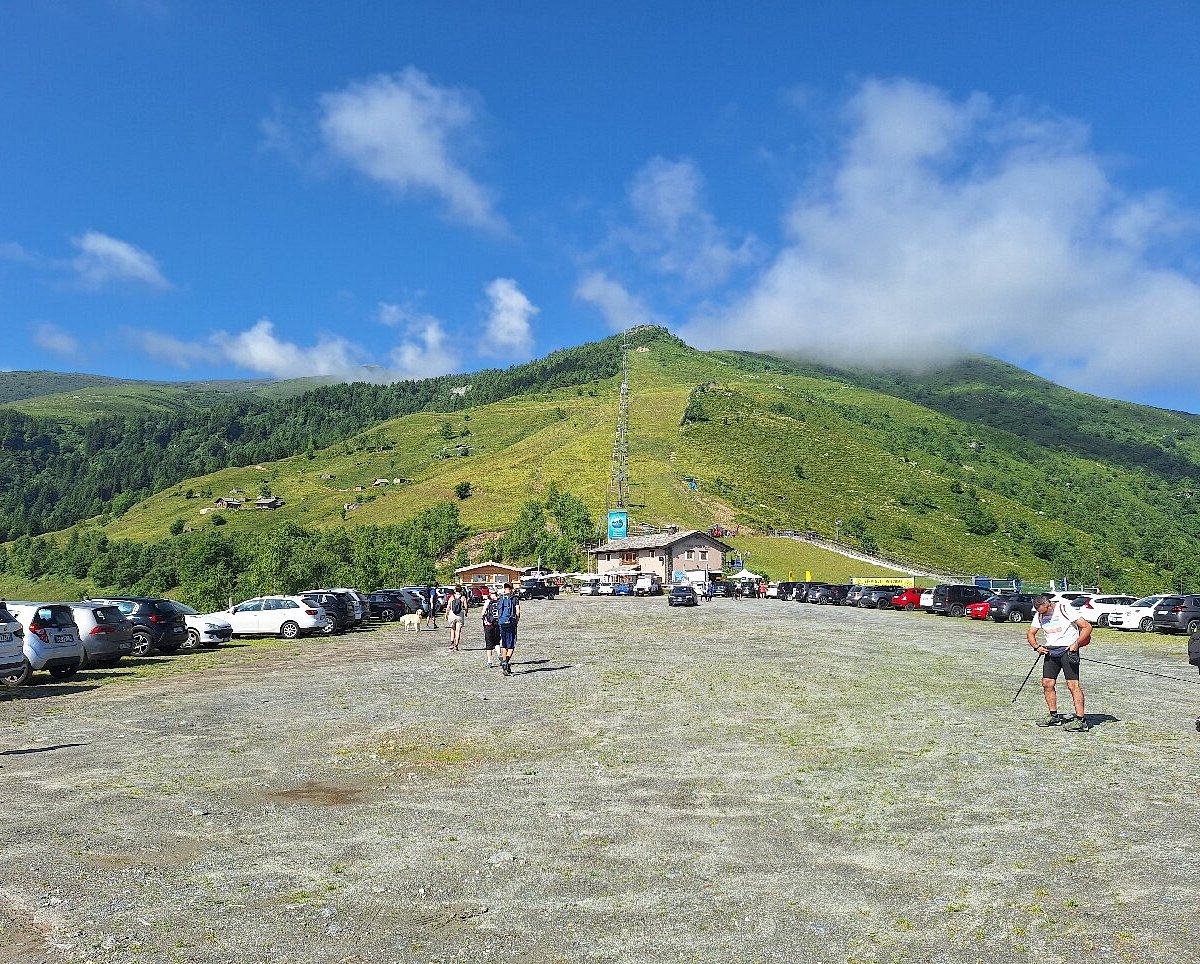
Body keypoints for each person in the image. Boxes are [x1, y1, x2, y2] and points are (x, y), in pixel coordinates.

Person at [1027, 593, 1093, 731]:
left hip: (1068, 650)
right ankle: (1054, 716)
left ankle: (1081, 720)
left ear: (1049, 604)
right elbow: (1031, 633)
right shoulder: (1039, 614)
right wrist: (1037, 647)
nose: (1043, 614)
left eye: (1044, 611)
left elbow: (1087, 627)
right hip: (1051, 651)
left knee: (1072, 685)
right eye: (1040, 612)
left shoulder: (1064, 609)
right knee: (1047, 683)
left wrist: (1077, 643)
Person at [496, 582, 521, 677]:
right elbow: (518, 611)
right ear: (511, 588)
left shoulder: (500, 598)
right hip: (511, 623)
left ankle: (504, 661)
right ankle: (505, 662)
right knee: (511, 645)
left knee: (504, 644)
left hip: (502, 623)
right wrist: (516, 621)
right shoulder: (514, 598)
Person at [481, 592, 501, 668]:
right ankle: (499, 654)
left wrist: (484, 619)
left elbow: (483, 612)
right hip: (497, 623)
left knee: (489, 642)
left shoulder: (488, 601)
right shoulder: (499, 601)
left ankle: (489, 661)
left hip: (489, 624)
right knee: (497, 641)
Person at [446, 586, 466, 652]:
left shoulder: (452, 597)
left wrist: (446, 614)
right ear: (461, 590)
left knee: (452, 629)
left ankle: (451, 643)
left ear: (455, 590)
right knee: (458, 631)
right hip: (459, 615)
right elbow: (466, 607)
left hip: (452, 614)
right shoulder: (463, 598)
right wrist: (466, 613)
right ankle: (456, 645)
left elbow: (448, 606)